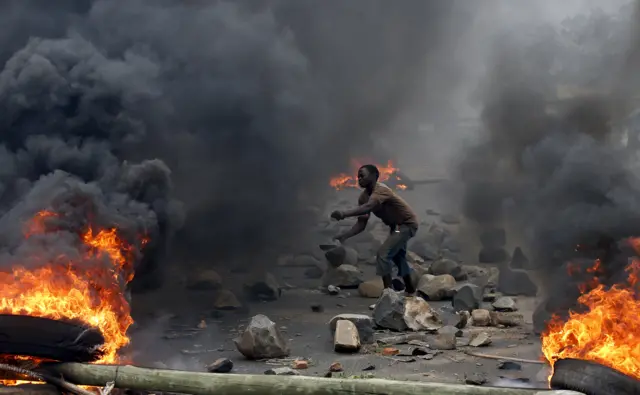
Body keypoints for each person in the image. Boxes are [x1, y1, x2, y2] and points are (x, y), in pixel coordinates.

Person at [331, 164, 419, 295]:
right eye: (358, 176)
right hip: (396, 227)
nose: (359, 179)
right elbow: (362, 223)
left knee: (383, 254)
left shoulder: (381, 190)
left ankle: (388, 295)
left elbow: (368, 207)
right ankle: (410, 290)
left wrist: (344, 214)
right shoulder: (363, 198)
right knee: (398, 257)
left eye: (362, 175)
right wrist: (345, 236)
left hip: (406, 224)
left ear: (374, 176)